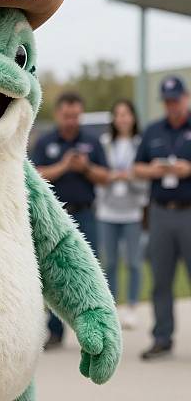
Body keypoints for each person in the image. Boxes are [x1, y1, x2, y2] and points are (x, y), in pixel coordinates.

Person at [32, 91, 109, 348]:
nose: (71, 121)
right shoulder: (46, 142)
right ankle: (55, 332)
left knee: (88, 270)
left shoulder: (92, 142)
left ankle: (92, 330)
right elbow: (35, 174)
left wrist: (86, 168)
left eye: (76, 116)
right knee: (52, 272)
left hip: (85, 213)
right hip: (55, 216)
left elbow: (106, 177)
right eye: (67, 116)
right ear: (58, 114)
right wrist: (64, 166)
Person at [134, 75, 191, 360]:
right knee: (160, 279)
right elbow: (137, 168)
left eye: (176, 100)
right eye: (167, 101)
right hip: (160, 213)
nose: (172, 105)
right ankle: (162, 337)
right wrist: (155, 170)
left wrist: (187, 169)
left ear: (187, 97)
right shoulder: (153, 130)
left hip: (188, 212)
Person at [96, 99, 147, 329]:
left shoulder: (140, 143)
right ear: (113, 119)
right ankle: (113, 307)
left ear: (133, 117)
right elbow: (99, 174)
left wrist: (130, 177)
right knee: (111, 262)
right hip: (108, 210)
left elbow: (144, 175)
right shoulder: (105, 142)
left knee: (134, 262)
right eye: (118, 114)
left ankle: (133, 307)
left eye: (126, 114)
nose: (122, 118)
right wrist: (111, 177)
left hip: (132, 211)